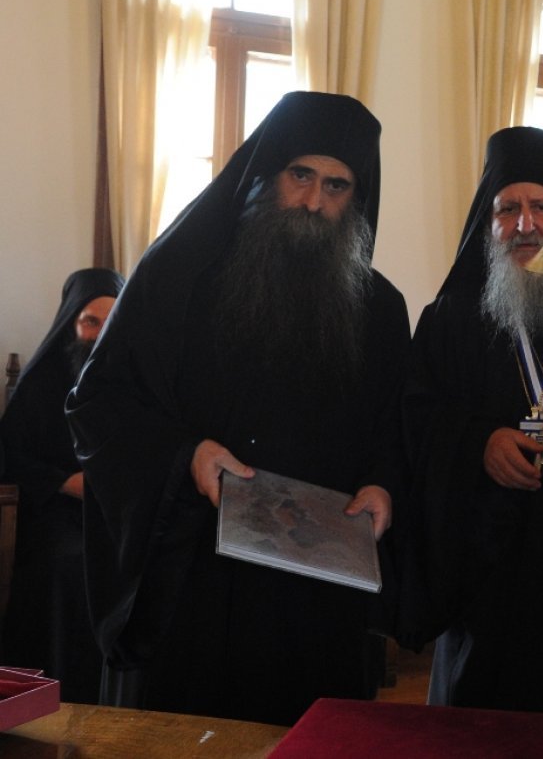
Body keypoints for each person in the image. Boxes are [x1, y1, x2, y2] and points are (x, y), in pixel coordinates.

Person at [64, 91, 411, 726]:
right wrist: (187, 455)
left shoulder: (382, 313)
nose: (313, 201)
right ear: (267, 173)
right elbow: (101, 402)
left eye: (336, 186)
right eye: (300, 175)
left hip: (317, 596)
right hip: (197, 579)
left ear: (357, 198)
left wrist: (382, 485)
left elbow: (394, 429)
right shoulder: (180, 276)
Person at [403, 127, 543, 712]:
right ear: (487, 224)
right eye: (506, 209)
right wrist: (478, 443)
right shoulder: (449, 319)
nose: (523, 224)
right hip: (485, 574)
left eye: (542, 207)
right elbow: (415, 419)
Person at [0, 268, 124, 702]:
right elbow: (10, 456)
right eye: (91, 321)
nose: (101, 333)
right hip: (57, 511)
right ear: (72, 322)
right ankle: (62, 693)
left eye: (112, 321)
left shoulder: (137, 383)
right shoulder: (40, 383)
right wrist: (64, 482)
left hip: (117, 513)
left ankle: (121, 698)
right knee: (71, 565)